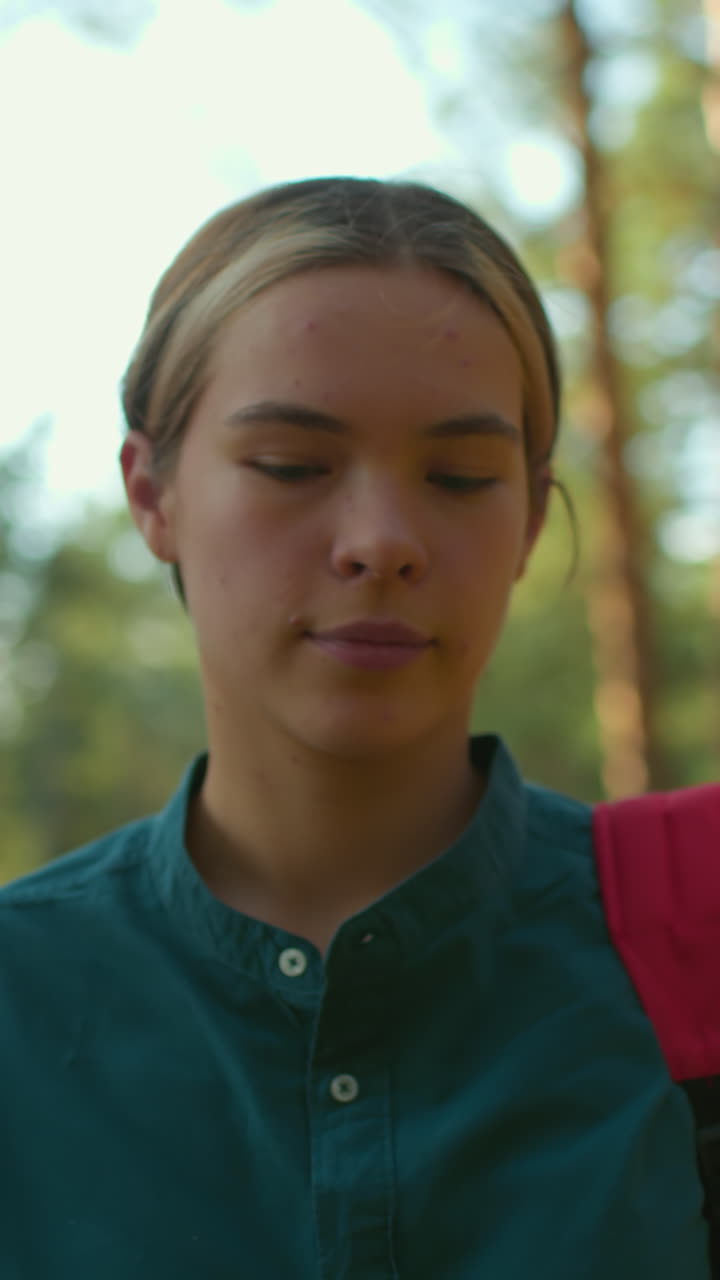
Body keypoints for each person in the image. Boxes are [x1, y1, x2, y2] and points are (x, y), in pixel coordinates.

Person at [0, 177, 709, 1278]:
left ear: (528, 515)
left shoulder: (693, 940)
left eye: (460, 475)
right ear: (152, 492)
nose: (382, 541)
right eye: (293, 464)